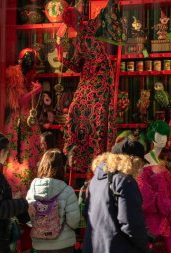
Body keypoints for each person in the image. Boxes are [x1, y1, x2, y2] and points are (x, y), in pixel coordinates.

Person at [62, 0, 127, 173]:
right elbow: (75, 64)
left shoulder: (90, 28)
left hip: (100, 77)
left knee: (97, 113)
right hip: (87, 78)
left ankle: (97, 159)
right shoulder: (80, 35)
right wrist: (63, 51)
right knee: (75, 110)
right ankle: (79, 158)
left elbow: (106, 14)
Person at [84, 140, 150, 253]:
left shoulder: (96, 180)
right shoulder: (125, 182)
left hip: (94, 246)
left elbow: (87, 213)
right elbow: (131, 224)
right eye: (140, 165)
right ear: (133, 162)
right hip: (117, 247)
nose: (140, 169)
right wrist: (144, 246)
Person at [137, 121, 171, 253]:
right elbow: (146, 196)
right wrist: (169, 205)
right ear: (152, 136)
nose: (162, 139)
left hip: (166, 220)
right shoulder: (145, 163)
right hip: (153, 221)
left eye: (165, 135)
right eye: (159, 135)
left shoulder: (160, 162)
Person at [3, 48, 43, 196]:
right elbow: (17, 102)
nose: (30, 64)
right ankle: (16, 189)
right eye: (28, 61)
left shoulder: (27, 77)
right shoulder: (14, 76)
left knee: (30, 154)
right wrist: (35, 91)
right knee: (18, 154)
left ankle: (28, 189)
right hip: (18, 121)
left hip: (28, 121)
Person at [26, 148, 80, 253]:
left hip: (40, 244)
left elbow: (28, 218)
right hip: (63, 245)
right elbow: (73, 221)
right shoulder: (67, 191)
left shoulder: (33, 188)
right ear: (62, 168)